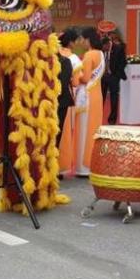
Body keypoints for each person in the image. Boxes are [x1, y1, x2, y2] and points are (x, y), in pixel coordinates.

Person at [76, 27, 105, 175]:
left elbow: (85, 78)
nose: (81, 42)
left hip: (86, 96)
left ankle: (83, 166)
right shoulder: (101, 54)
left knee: (84, 130)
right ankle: (93, 163)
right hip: (97, 95)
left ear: (88, 39)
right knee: (94, 128)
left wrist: (74, 74)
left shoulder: (88, 55)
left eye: (82, 39)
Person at [57, 28, 84, 176]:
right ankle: (60, 167)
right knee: (62, 134)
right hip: (65, 99)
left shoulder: (49, 56)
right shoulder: (72, 59)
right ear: (70, 42)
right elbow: (75, 83)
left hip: (47, 99)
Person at [103, 30, 127, 124]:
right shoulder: (101, 48)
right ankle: (97, 116)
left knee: (114, 98)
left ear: (108, 44)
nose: (104, 50)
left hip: (113, 76)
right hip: (103, 76)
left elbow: (123, 62)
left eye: (105, 48)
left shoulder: (118, 48)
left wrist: (117, 74)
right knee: (101, 97)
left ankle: (112, 120)